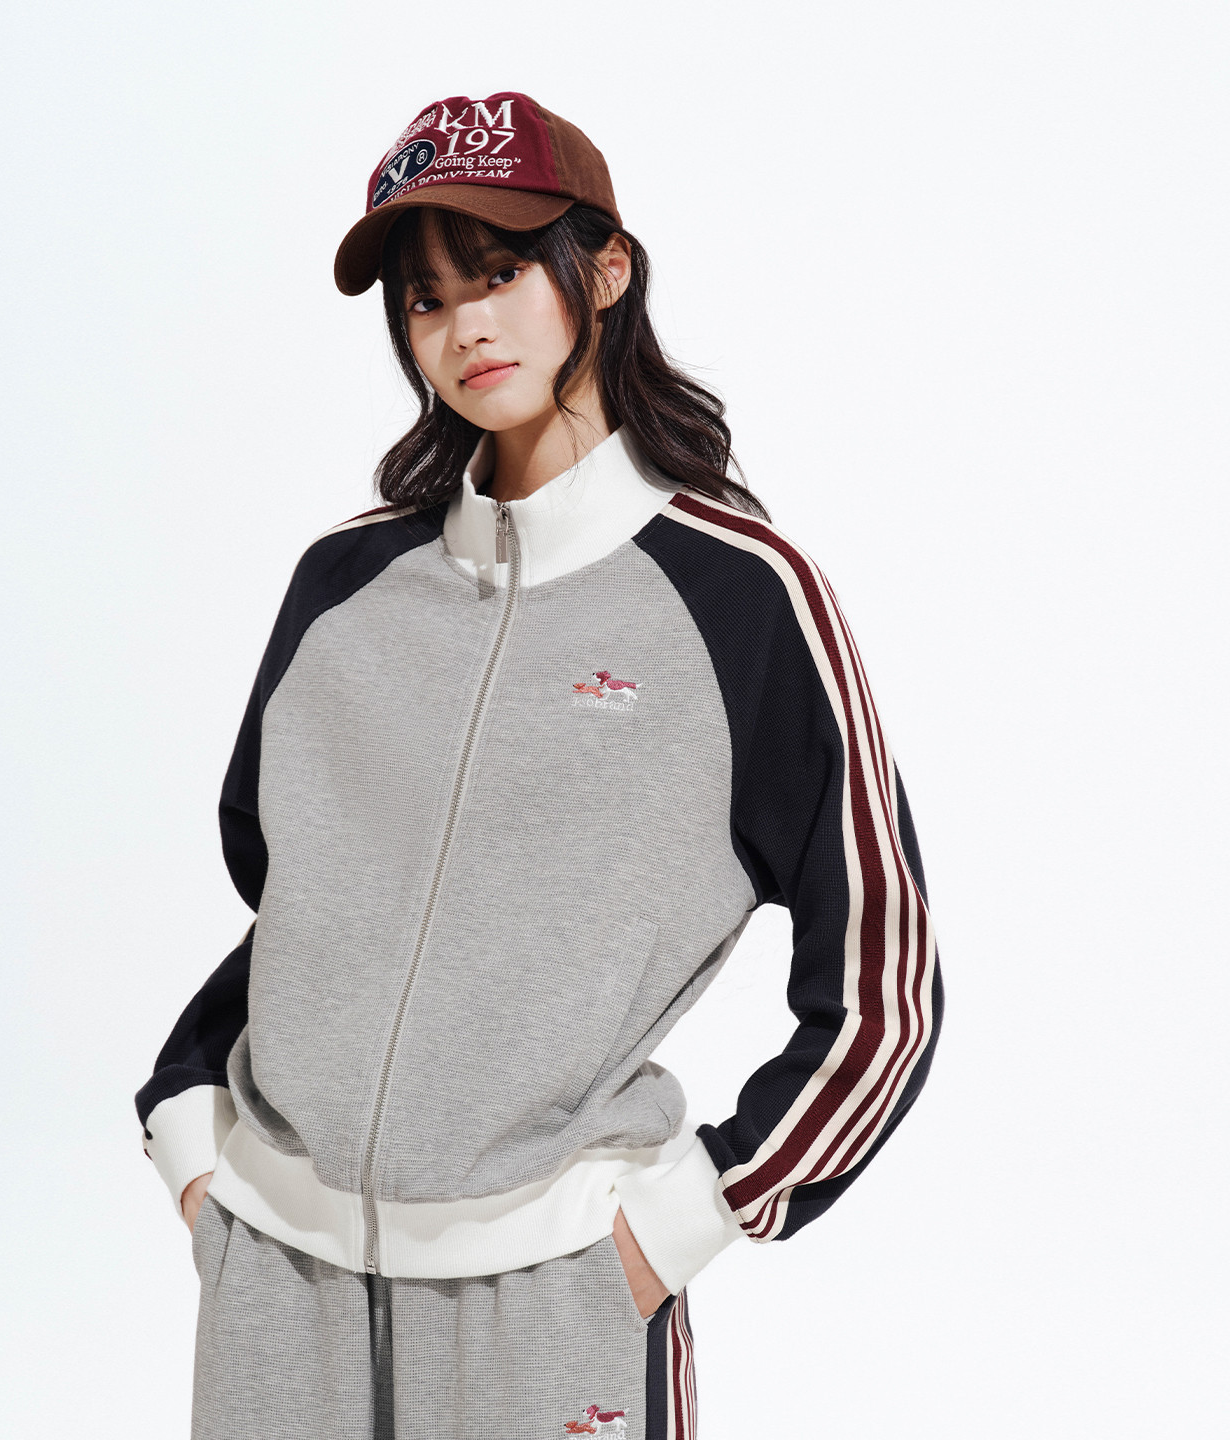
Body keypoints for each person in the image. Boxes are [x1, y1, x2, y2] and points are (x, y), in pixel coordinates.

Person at [135, 90, 945, 1440]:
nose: (466, 327)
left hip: (548, 1303)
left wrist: (684, 1224)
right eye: (426, 298)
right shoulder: (346, 586)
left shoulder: (741, 599)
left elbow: (883, 987)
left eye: (501, 273)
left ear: (604, 271)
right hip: (274, 1287)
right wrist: (185, 1129)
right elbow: (299, 911)